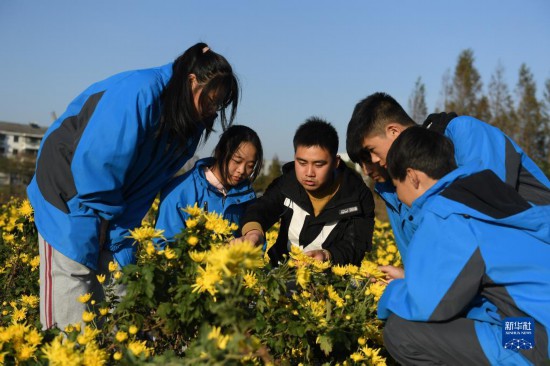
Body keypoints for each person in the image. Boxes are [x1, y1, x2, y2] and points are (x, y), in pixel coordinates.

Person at [27, 42, 240, 330]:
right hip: (68, 185)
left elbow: (147, 185)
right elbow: (99, 160)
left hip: (113, 198)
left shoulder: (190, 124)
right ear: (192, 82)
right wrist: (101, 217)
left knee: (118, 282)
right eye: (211, 100)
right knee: (74, 271)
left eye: (219, 104)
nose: (212, 110)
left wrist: (120, 235)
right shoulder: (140, 92)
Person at [378, 126, 550, 365]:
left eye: (397, 187)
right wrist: (409, 279)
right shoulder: (479, 193)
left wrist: (386, 295)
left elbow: (432, 305)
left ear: (413, 176)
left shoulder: (446, 213)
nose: (399, 196)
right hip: (539, 319)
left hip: (534, 338)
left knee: (402, 332)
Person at [346, 92, 550, 261]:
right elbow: (415, 258)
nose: (371, 163)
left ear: (393, 131)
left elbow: (485, 213)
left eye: (371, 150)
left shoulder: (464, 133)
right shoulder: (394, 187)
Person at [234, 117, 375, 266]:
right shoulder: (286, 184)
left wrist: (327, 256)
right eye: (302, 163)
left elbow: (356, 246)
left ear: (336, 162)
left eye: (319, 164)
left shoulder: (358, 196)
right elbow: (263, 208)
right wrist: (254, 232)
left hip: (332, 279)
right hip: (281, 272)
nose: (309, 172)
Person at [155, 125, 263, 243]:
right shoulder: (181, 190)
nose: (241, 170)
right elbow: (164, 244)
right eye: (237, 161)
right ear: (220, 152)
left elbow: (256, 244)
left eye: (250, 166)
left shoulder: (247, 195)